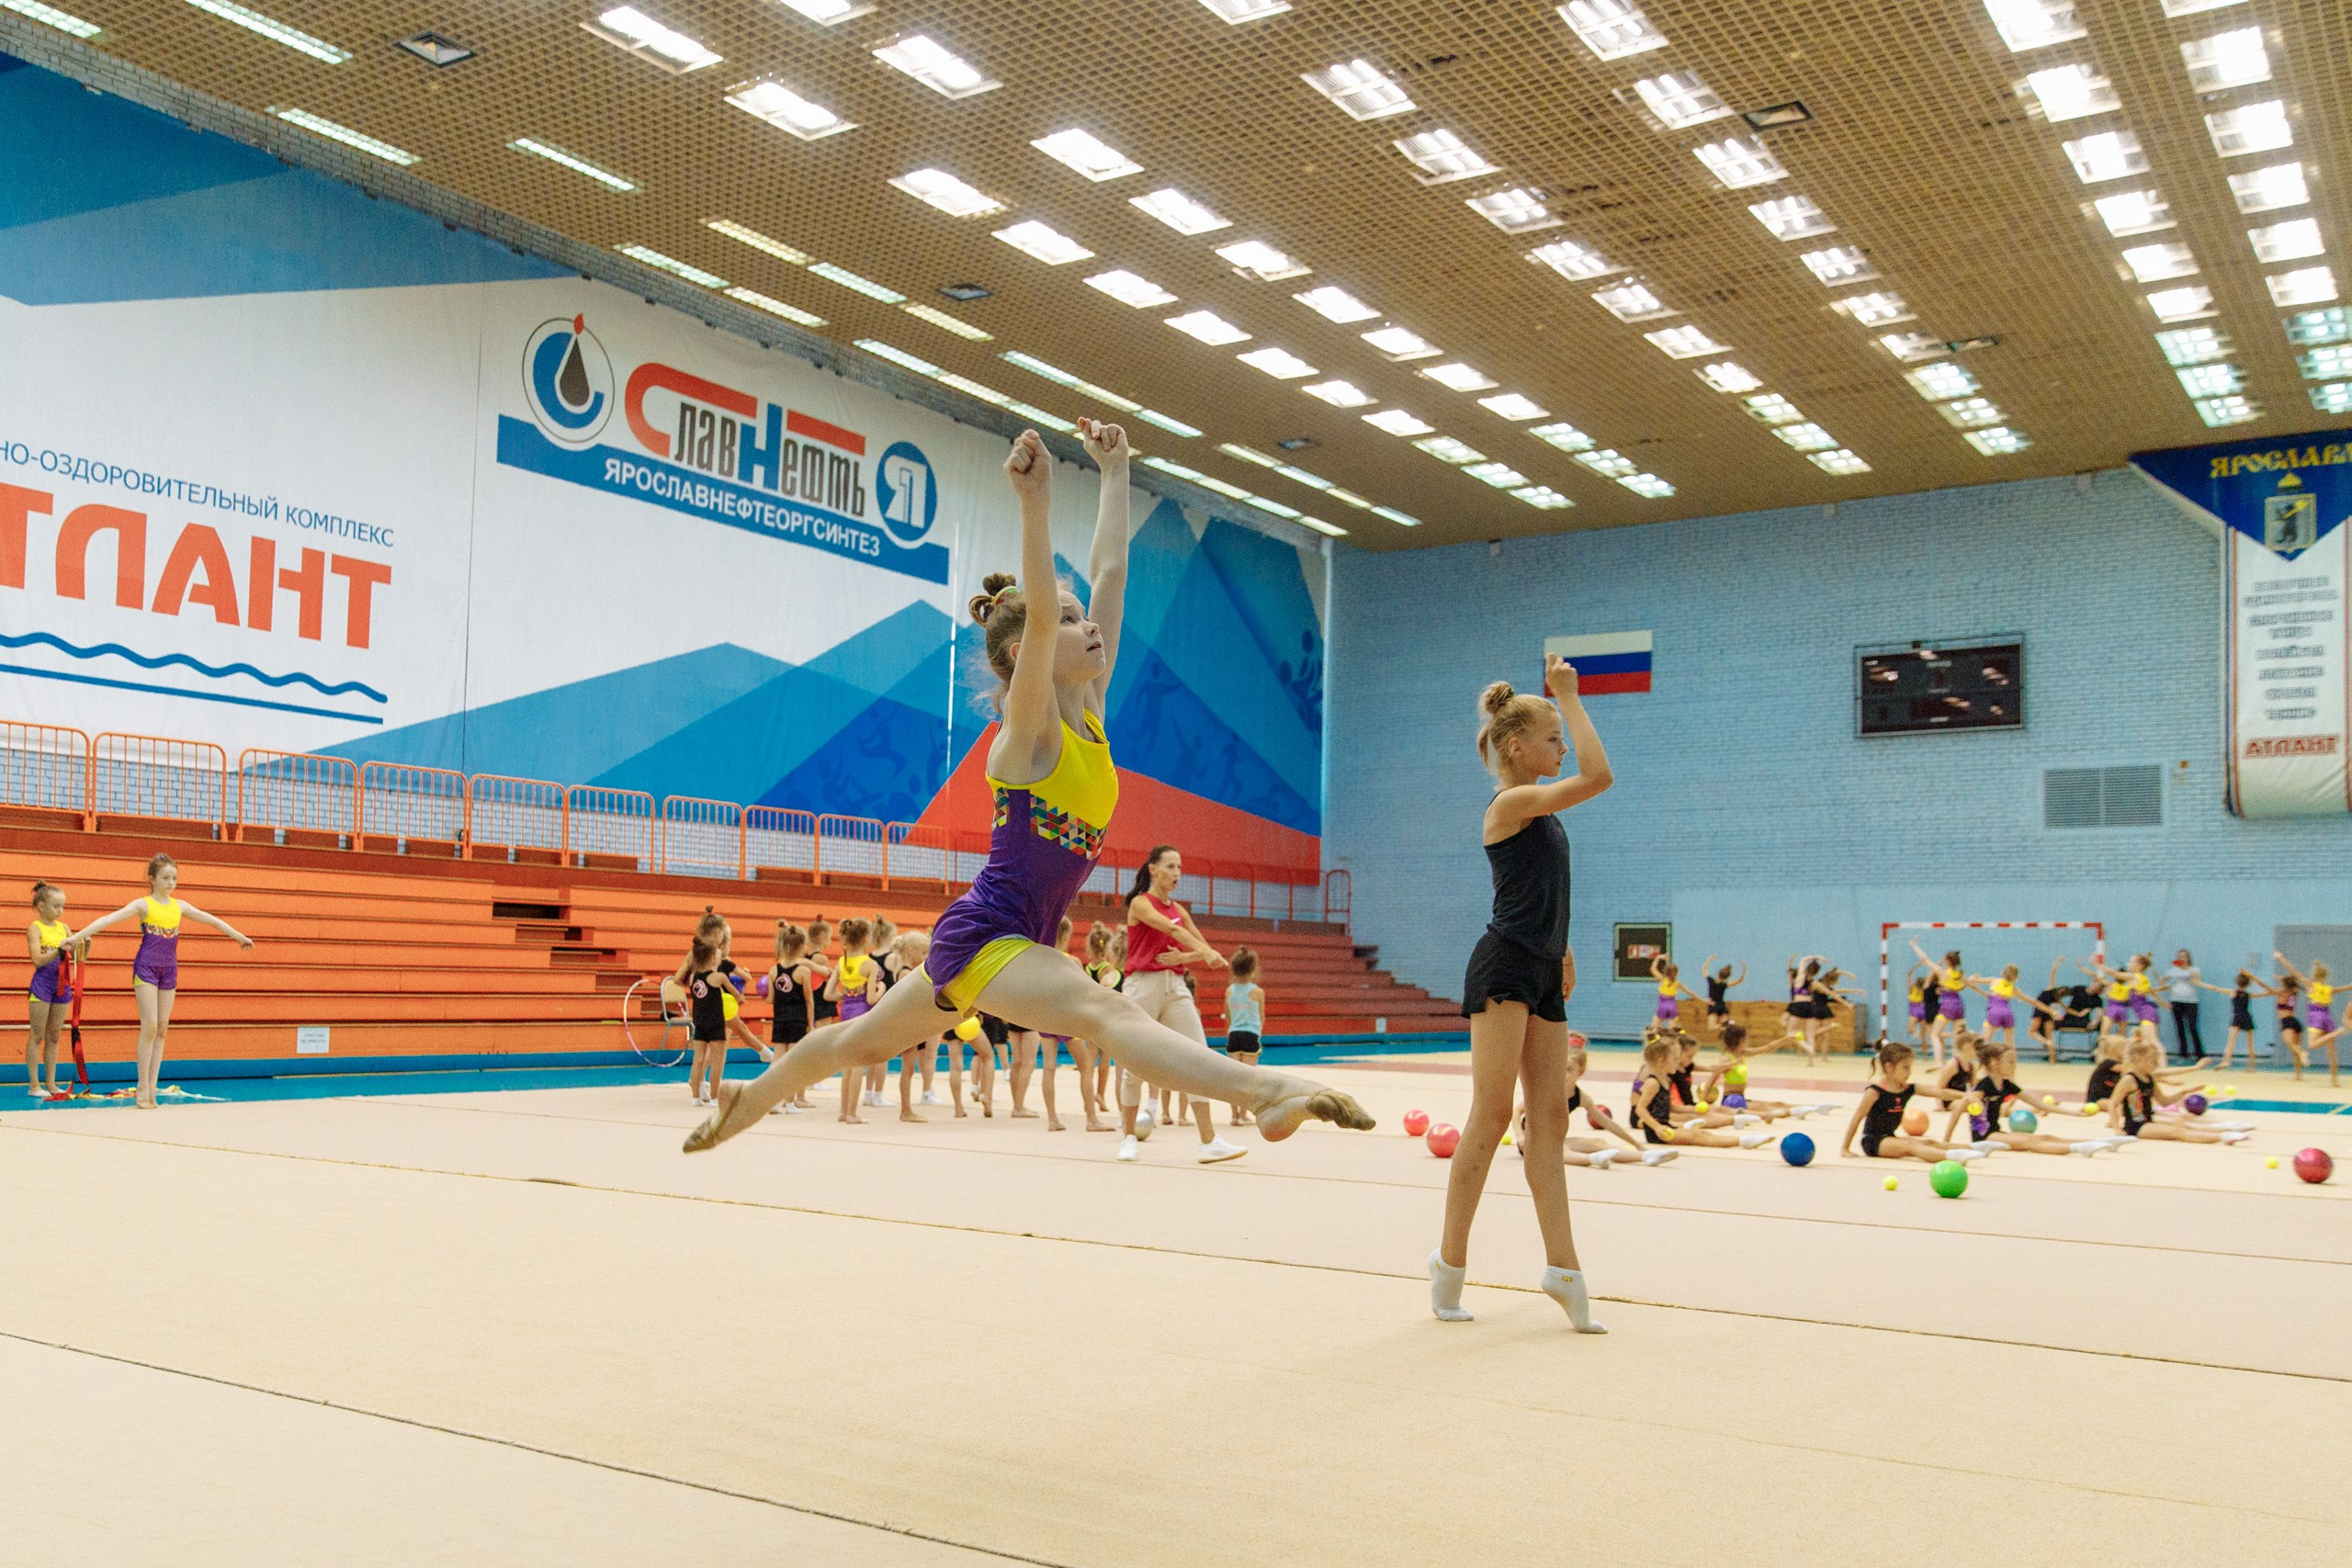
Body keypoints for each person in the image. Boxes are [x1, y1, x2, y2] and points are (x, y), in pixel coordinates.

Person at [685, 422, 1371, 1155]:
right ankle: (1265, 1093)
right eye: (1071, 623)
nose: (1089, 626)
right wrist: (1034, 502)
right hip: (994, 933)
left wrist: (1117, 472)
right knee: (1104, 1011)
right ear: (1027, 653)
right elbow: (1045, 612)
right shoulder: (1027, 735)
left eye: (1083, 620)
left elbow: (1109, 574)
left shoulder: (1092, 710)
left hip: (1008, 935)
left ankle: (745, 1095)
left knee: (857, 1040)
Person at [1430, 654, 1613, 1331]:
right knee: (1491, 1114)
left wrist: (1561, 945)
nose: (1562, 747)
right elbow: (1599, 776)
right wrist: (1570, 695)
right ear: (1516, 745)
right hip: (1504, 965)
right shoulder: (1510, 802)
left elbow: (1537, 886)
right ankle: (1448, 1263)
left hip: (1540, 966)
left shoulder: (1541, 811)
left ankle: (1562, 1269)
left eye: (1562, 735)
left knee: (1553, 1121)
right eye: (1552, 736)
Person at [67, 853, 254, 1109]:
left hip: (169, 969)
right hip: (146, 968)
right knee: (151, 1025)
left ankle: (152, 1088)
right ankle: (142, 1088)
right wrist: (77, 937)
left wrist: (238, 936)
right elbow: (107, 920)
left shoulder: (180, 907)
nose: (171, 883)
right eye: (166, 878)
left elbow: (211, 919)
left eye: (174, 878)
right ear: (152, 879)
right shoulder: (143, 905)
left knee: (163, 1028)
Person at [1120, 845, 1246, 1164]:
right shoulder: (1140, 903)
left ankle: (1208, 1141)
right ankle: (1128, 1138)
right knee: (1134, 1062)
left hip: (1175, 985)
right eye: (1170, 866)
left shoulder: (1178, 907)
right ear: (1153, 869)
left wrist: (1189, 955)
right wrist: (1203, 953)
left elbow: (1198, 943)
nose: (1177, 873)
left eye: (1179, 867)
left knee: (1198, 1056)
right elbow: (1173, 930)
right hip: (1142, 985)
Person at [1837, 1042, 1984, 1167]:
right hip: (1873, 1142)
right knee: (1912, 1146)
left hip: (1890, 1137)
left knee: (1928, 1143)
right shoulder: (1875, 1091)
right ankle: (1951, 1157)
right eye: (1905, 1068)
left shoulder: (1907, 1088)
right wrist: (1845, 1148)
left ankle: (1974, 1149)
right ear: (1889, 1067)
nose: (1909, 1072)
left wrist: (1966, 1095)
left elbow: (1940, 1092)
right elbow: (1857, 1117)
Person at [24, 882, 76, 1100]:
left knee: (54, 1035)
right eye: (56, 906)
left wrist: (84, 945)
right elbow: (37, 960)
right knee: (37, 1035)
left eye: (62, 906)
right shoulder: (35, 928)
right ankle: (34, 1085)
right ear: (42, 905)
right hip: (42, 984)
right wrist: (58, 951)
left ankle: (51, 1083)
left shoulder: (63, 928)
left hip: (62, 984)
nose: (60, 911)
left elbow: (77, 956)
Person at [1224, 946, 1265, 1127]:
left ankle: (1234, 1115)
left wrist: (1233, 1028)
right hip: (1250, 1035)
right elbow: (1262, 1017)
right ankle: (1243, 1113)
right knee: (1248, 1078)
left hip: (1234, 1035)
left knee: (1233, 1077)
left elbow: (1228, 1016)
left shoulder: (1229, 991)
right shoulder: (1257, 992)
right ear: (1253, 969)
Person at [2162, 950, 2206, 1063]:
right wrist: (2166, 987)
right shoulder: (2173, 970)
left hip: (2191, 1001)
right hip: (2176, 1001)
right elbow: (2163, 980)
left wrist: (2187, 969)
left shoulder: (2194, 969)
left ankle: (2200, 1054)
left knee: (2192, 1027)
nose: (2182, 958)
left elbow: (2197, 979)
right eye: (2180, 957)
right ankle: (2183, 1054)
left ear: (2188, 958)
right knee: (2180, 1028)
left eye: (2185, 957)